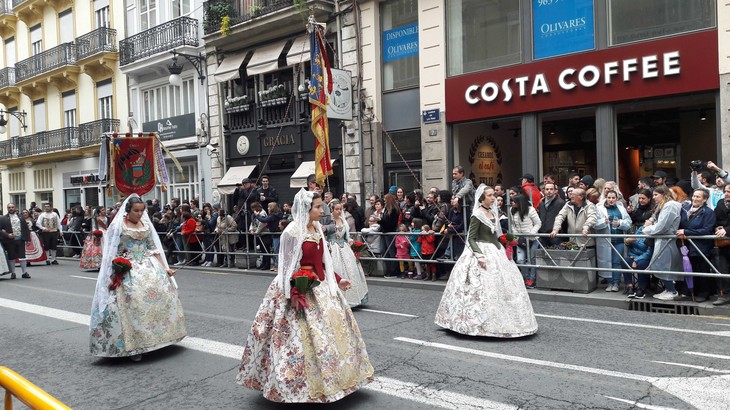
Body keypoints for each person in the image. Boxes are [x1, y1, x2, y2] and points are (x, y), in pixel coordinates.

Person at [236, 189, 374, 402]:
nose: (322, 210)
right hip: (298, 288)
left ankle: (336, 379)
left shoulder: (318, 227)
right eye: (318, 207)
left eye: (321, 206)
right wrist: (293, 291)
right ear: (306, 209)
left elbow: (323, 261)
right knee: (298, 341)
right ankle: (298, 386)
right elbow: (286, 266)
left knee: (331, 335)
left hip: (320, 286)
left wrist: (337, 279)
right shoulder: (292, 231)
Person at [89, 195, 186, 360]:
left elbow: (153, 249)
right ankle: (134, 346)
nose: (140, 214)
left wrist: (165, 268)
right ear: (128, 210)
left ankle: (161, 338)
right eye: (136, 211)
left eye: (142, 210)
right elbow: (111, 252)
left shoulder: (146, 225)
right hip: (128, 268)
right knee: (133, 302)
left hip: (149, 266)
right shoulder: (118, 227)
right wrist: (116, 267)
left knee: (159, 299)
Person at [435, 185, 538, 337]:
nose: (493, 198)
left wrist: (509, 239)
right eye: (489, 195)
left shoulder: (493, 213)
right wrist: (479, 255)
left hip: (497, 251)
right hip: (482, 251)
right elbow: (472, 238)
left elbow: (497, 235)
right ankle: (474, 322)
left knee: (507, 285)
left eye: (493, 195)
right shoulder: (477, 214)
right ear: (482, 198)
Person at [642, 186, 683, 301]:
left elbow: (662, 226)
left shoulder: (670, 206)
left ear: (664, 195)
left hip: (666, 240)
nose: (654, 197)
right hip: (663, 239)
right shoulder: (665, 205)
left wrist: (646, 230)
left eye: (656, 195)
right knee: (662, 265)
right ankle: (669, 289)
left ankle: (672, 290)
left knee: (663, 266)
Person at [327, 200, 369, 306]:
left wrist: (353, 245)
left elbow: (347, 237)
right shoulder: (328, 221)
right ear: (331, 210)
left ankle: (354, 298)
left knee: (351, 270)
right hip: (332, 248)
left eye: (341, 209)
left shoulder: (343, 220)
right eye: (337, 209)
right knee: (337, 270)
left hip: (344, 248)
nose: (339, 211)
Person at [677, 189, 716, 302]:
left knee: (702, 270)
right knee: (688, 269)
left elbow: (707, 230)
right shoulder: (685, 209)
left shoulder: (708, 212)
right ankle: (687, 291)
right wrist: (680, 232)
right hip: (686, 246)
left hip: (702, 247)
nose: (694, 199)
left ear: (705, 199)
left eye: (698, 197)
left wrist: (686, 232)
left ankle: (704, 294)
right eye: (694, 196)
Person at [597, 191, 632, 292]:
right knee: (607, 261)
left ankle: (616, 282)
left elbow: (628, 222)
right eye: (609, 197)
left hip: (619, 240)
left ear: (616, 198)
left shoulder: (621, 209)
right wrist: (604, 222)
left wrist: (620, 223)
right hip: (606, 240)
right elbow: (595, 224)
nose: (611, 200)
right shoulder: (599, 208)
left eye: (613, 198)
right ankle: (609, 282)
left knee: (617, 262)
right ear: (606, 198)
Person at [510, 194, 541, 289]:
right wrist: (516, 235)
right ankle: (525, 278)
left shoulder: (531, 210)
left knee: (532, 260)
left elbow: (538, 223)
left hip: (532, 239)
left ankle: (532, 279)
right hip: (520, 238)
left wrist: (531, 233)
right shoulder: (512, 210)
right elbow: (512, 225)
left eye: (514, 201)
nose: (512, 203)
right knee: (520, 260)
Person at [0, 203, 31, 279]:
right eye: (9, 207)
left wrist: (27, 239)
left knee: (22, 257)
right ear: (7, 208)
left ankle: (24, 272)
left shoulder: (21, 217)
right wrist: (7, 235)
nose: (11, 208)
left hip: (20, 239)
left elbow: (26, 229)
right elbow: (0, 230)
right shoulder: (3, 218)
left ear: (15, 208)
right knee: (11, 257)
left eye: (12, 207)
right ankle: (13, 273)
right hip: (10, 241)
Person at [538, 182, 565, 248]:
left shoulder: (560, 203)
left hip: (555, 235)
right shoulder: (542, 202)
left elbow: (564, 219)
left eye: (551, 189)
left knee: (556, 256)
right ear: (543, 191)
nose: (549, 191)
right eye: (547, 189)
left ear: (555, 191)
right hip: (543, 234)